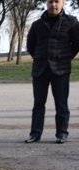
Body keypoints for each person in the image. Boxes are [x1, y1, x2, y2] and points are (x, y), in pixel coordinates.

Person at [24, 0, 79, 144]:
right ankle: (35, 134)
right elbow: (30, 45)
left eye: (56, 1)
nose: (53, 5)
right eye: (50, 2)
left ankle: (62, 133)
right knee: (38, 104)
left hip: (61, 70)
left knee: (61, 104)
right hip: (40, 70)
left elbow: (76, 45)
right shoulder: (37, 25)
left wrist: (65, 57)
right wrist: (39, 57)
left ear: (63, 3)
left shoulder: (72, 22)